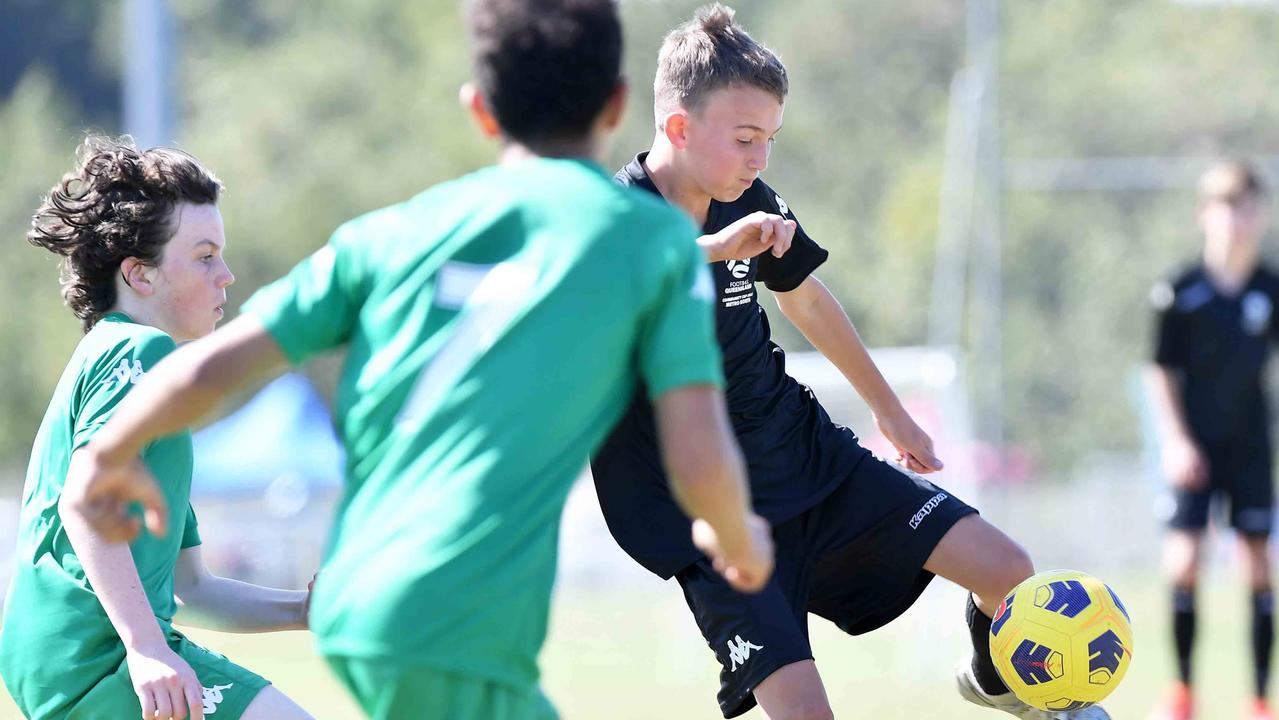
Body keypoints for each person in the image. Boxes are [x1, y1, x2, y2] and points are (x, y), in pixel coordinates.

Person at [56, 0, 774, 718]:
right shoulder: (653, 244)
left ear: (481, 110)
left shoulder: (388, 234)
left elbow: (217, 369)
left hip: (360, 596)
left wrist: (107, 454)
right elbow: (698, 458)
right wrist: (737, 537)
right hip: (450, 614)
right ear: (618, 105)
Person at [589, 5, 1112, 719]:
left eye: (769, 139)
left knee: (1006, 570)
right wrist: (716, 249)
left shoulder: (751, 201)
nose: (759, 160)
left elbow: (803, 300)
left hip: (808, 462)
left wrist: (888, 411)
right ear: (678, 126)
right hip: (712, 516)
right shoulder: (613, 218)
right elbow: (615, 273)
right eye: (744, 138)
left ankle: (1005, 685)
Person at [0, 137, 315, 720]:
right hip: (97, 657)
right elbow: (82, 501)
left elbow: (191, 588)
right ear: (139, 275)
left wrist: (304, 611)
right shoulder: (141, 349)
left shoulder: (140, 382)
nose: (227, 275)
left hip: (71, 655)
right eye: (203, 256)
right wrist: (146, 647)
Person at [1147, 161, 1279, 720]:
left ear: (1260, 214)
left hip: (1249, 447)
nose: (1235, 217)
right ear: (1205, 214)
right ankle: (1181, 694)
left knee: (1257, 566)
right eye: (1224, 205)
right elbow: (1160, 371)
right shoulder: (1179, 290)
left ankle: (1257, 700)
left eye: (1246, 205)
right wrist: (1176, 441)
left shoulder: (1270, 289)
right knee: (1183, 564)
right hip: (1194, 448)